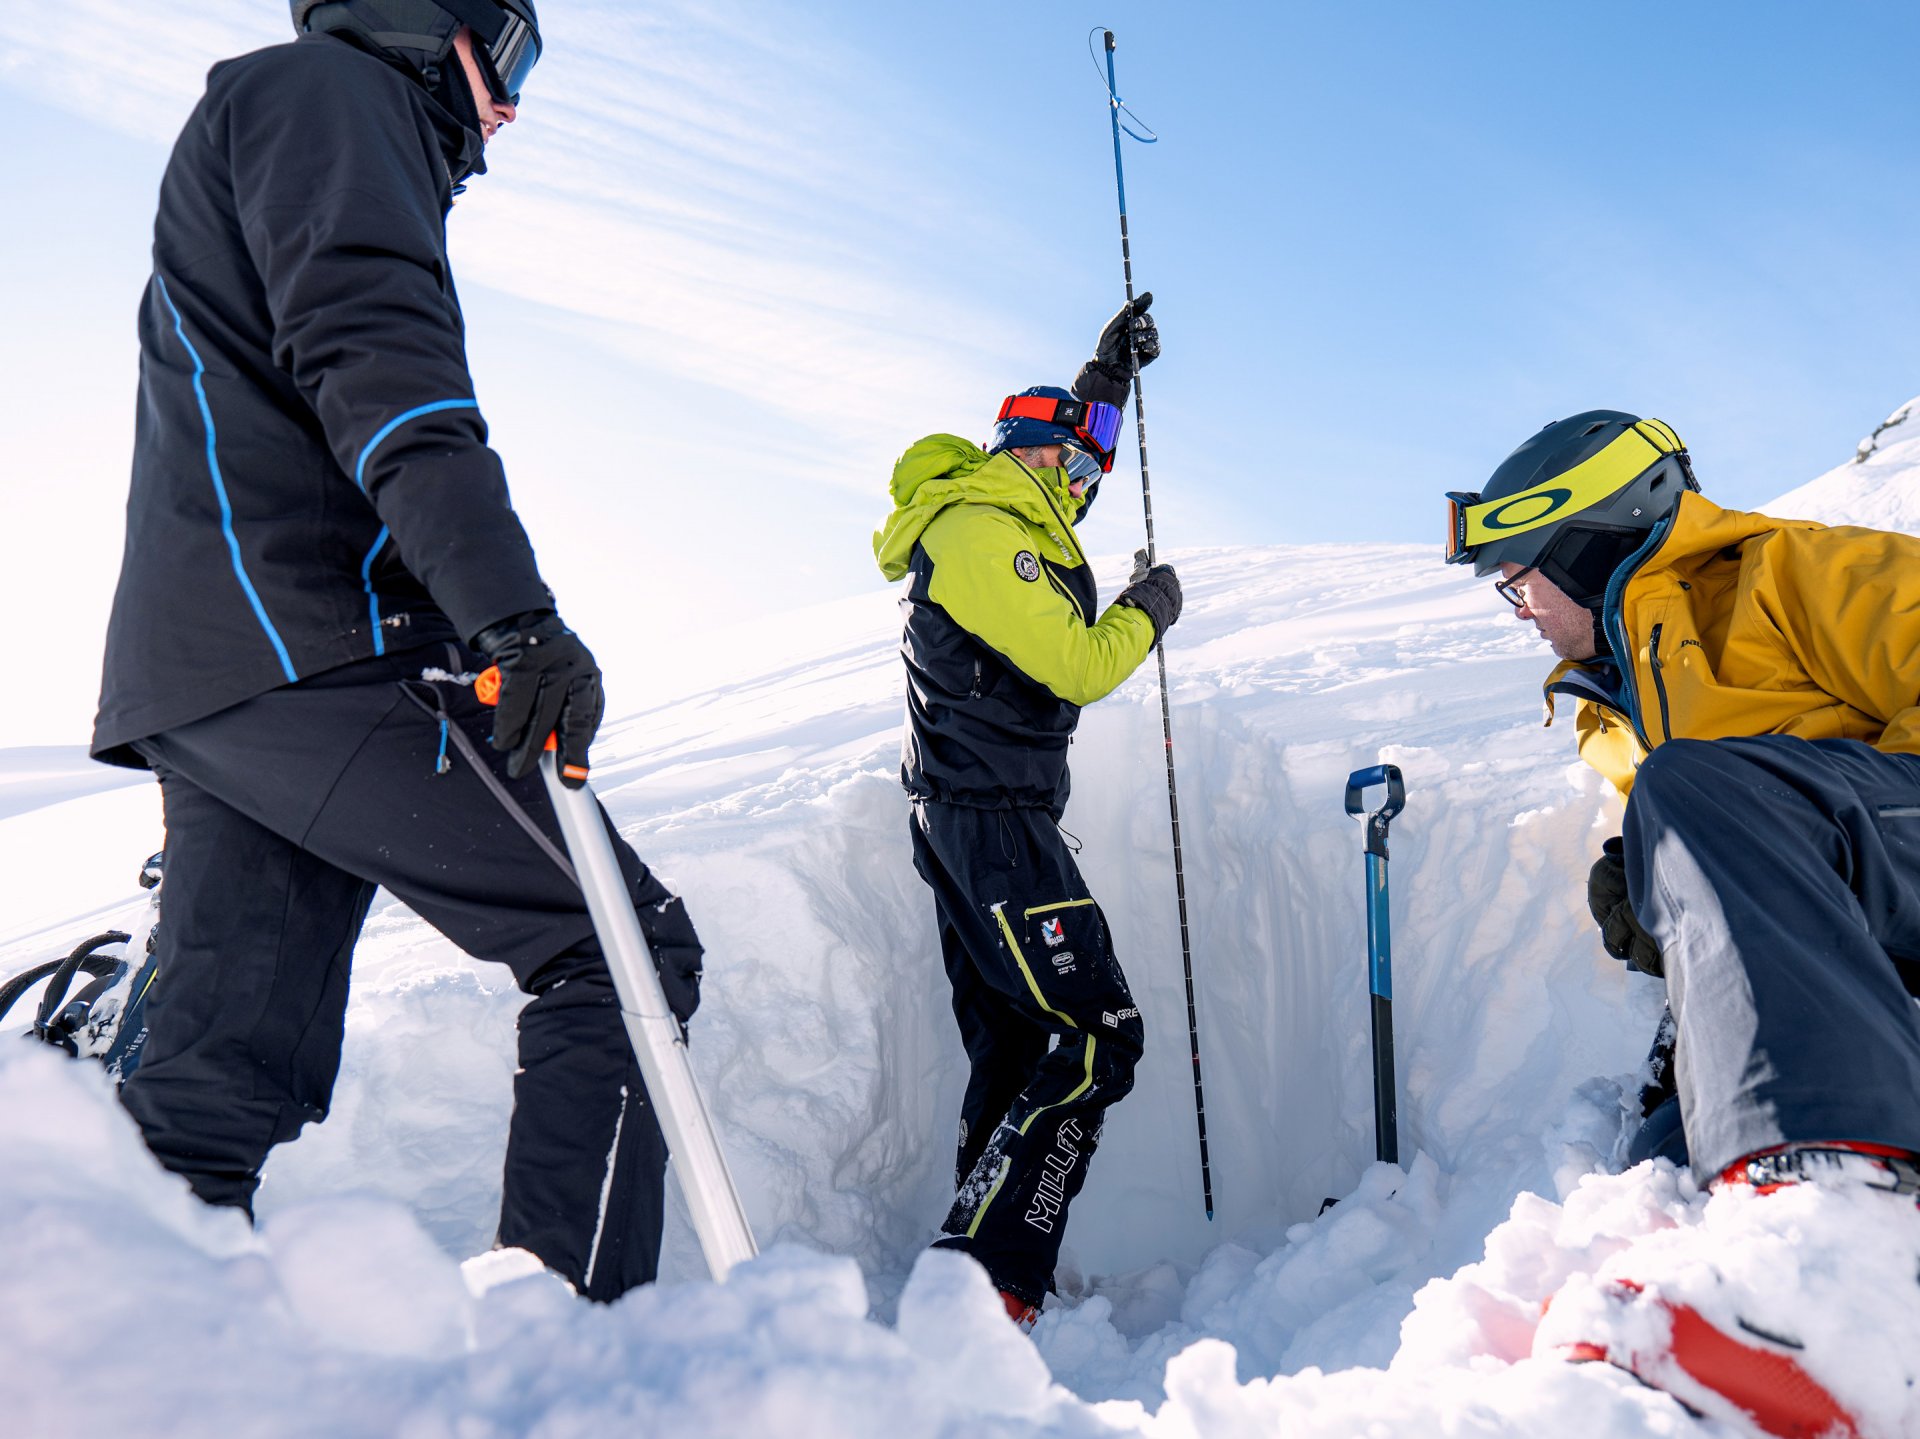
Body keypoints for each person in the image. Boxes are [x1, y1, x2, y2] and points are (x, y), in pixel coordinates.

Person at [89, 0, 704, 1303]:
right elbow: (381, 364)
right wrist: (511, 616)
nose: (511, 107)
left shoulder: (281, 111)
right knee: (621, 945)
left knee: (210, 1085)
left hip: (220, 671)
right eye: (511, 57)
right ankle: (573, 1354)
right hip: (319, 646)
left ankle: (127, 1358)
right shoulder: (335, 95)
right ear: (434, 20)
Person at [1445, 410, 1920, 1428]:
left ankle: (1843, 1236)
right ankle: (1733, 1342)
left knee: (1694, 787)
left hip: (1894, 870)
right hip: (1856, 936)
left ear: (1584, 543)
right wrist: (1675, 887)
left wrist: (1751, 812)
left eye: (1519, 579)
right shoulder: (1606, 711)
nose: (1518, 609)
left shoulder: (1786, 571)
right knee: (1668, 1149)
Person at [871, 298, 1184, 1329]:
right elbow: (1079, 664)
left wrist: (1107, 380)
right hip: (994, 823)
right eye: (1076, 468)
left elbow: (1075, 459)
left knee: (1013, 1045)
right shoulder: (980, 534)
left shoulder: (1002, 515)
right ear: (1032, 455)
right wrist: (1147, 610)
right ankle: (990, 1271)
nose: (1089, 486)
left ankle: (977, 1282)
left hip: (981, 817)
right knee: (1100, 1032)